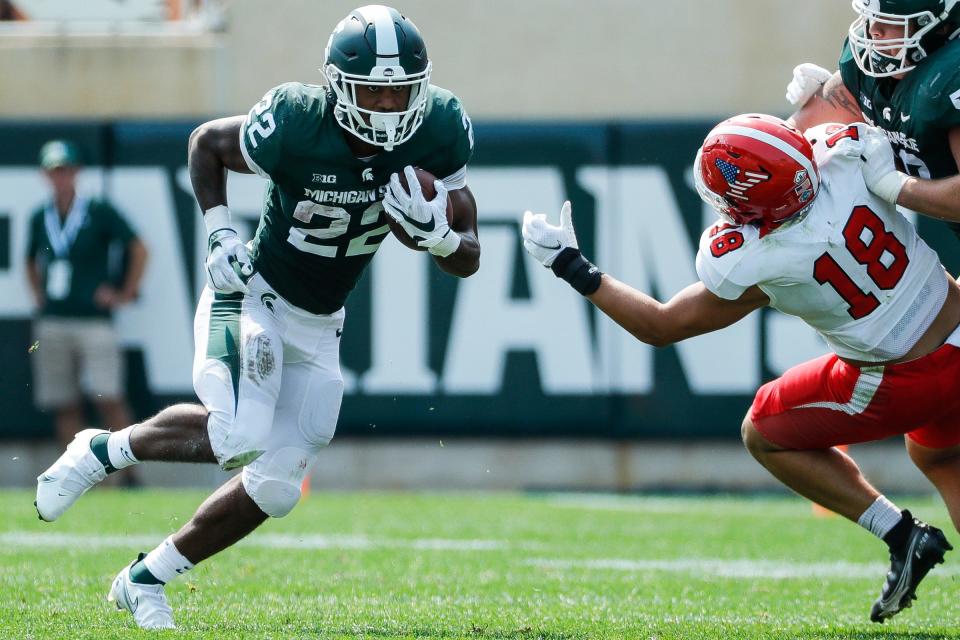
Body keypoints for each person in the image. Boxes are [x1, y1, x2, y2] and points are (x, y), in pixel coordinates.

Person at [34, 5, 479, 630]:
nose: (386, 104)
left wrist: (439, 241)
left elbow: (471, 254)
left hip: (322, 324)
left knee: (276, 486)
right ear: (337, 85)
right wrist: (219, 233)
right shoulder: (298, 119)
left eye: (400, 90)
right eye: (372, 89)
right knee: (238, 433)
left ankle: (144, 580)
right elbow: (207, 145)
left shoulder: (439, 128)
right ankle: (101, 450)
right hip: (248, 297)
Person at [521, 114, 960, 623]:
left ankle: (900, 533)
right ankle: (908, 539)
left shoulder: (762, 257)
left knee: (763, 430)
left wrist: (570, 264)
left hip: (905, 376)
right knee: (943, 459)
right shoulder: (845, 156)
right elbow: (835, 110)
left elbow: (661, 326)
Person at [784, 0, 960, 233]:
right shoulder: (866, 72)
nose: (873, 30)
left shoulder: (949, 80)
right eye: (870, 17)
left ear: (939, 27)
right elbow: (787, 147)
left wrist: (894, 186)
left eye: (889, 20)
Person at [26, 140, 148, 470]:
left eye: (65, 170)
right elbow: (29, 259)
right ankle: (74, 475)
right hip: (54, 320)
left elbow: (138, 247)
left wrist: (125, 292)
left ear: (76, 172)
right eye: (54, 172)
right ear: (45, 176)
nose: (60, 178)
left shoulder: (97, 211)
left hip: (95, 320)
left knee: (108, 396)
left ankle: (126, 476)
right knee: (63, 402)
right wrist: (37, 292)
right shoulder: (41, 216)